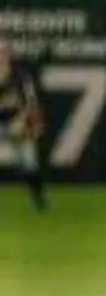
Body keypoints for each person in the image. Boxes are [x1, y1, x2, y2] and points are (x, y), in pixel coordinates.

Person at [0, 39, 49, 212]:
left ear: (9, 54)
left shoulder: (20, 76)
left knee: (29, 162)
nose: (1, 56)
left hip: (17, 123)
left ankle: (38, 198)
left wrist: (27, 122)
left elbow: (32, 102)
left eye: (3, 52)